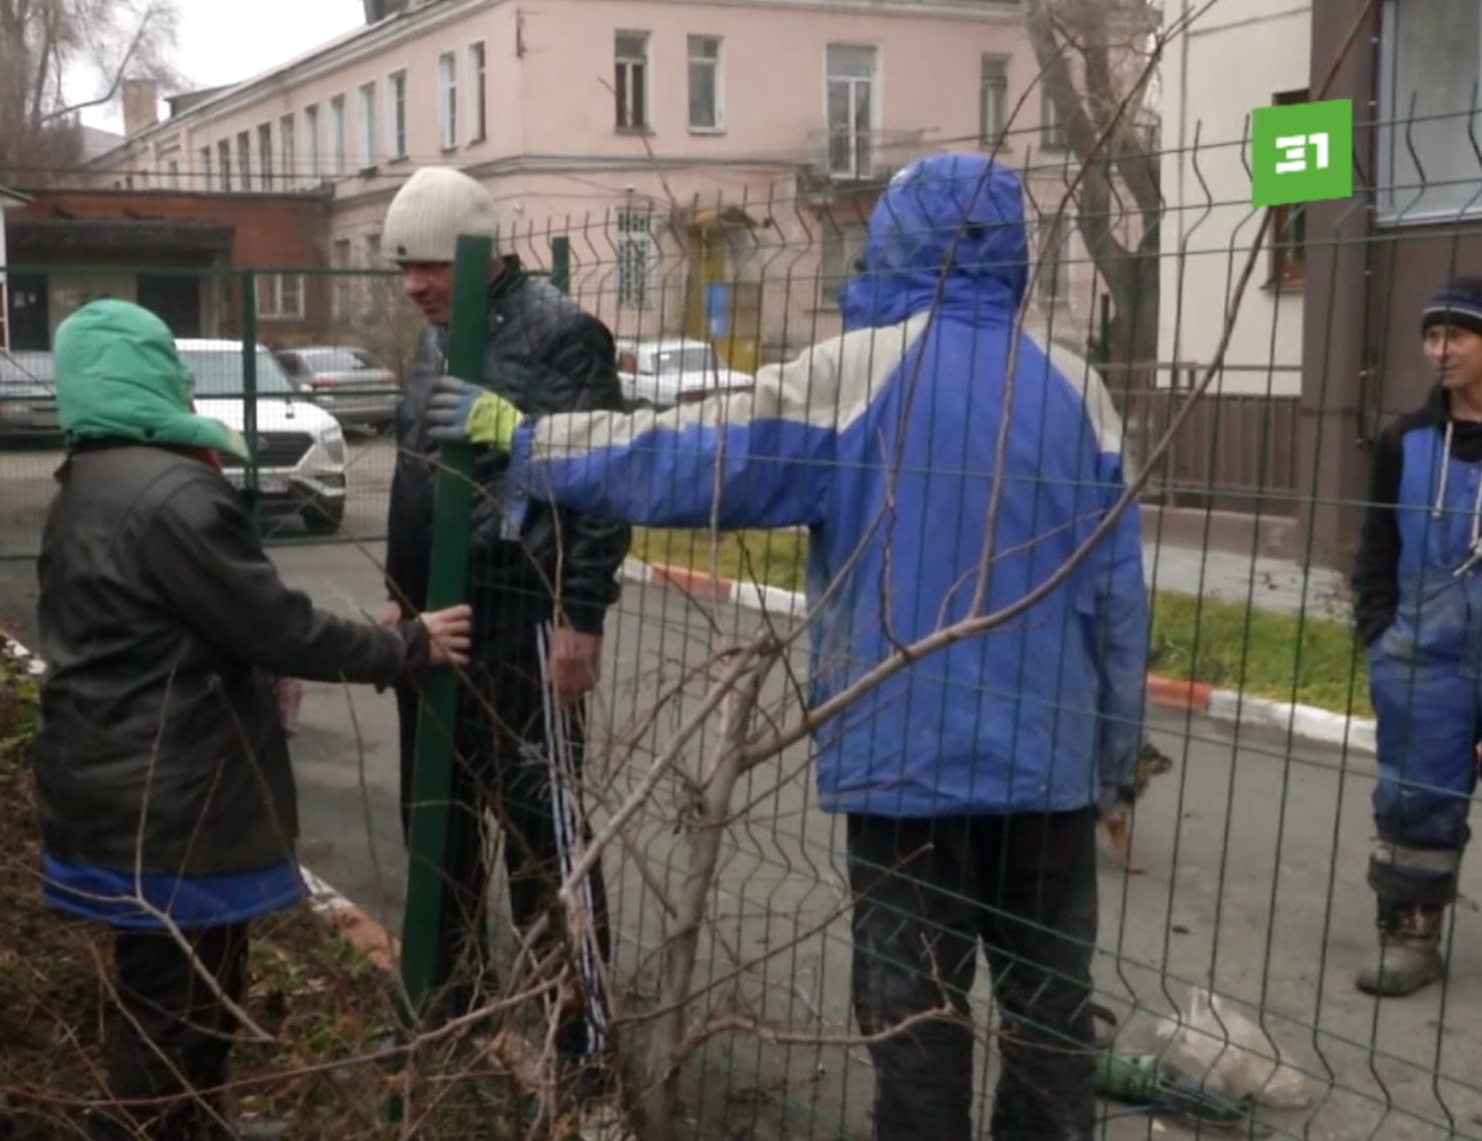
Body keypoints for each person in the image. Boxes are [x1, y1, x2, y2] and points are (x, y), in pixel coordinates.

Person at [424, 154, 1150, 1140]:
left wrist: (533, 441)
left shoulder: (857, 374)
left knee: (917, 1022)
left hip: (906, 774)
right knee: (1050, 1018)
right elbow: (1116, 608)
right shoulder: (1080, 391)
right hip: (1051, 774)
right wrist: (1109, 764)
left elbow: (698, 456)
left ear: (894, 246)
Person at [29, 299, 472, 1141]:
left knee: (179, 983)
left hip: (111, 779)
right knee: (178, 1004)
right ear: (149, 373)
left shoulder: (89, 477)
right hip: (171, 795)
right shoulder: (174, 493)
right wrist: (408, 643)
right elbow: (272, 624)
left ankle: (194, 1126)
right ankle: (150, 1128)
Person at [377, 166, 630, 1085]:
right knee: (435, 820)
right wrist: (402, 593)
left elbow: (602, 484)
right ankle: (453, 1007)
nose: (414, 285)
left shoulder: (562, 334)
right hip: (436, 627)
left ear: (480, 253)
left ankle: (577, 1035)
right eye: (403, 267)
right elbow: (419, 469)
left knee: (540, 834)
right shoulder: (437, 338)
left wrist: (582, 615)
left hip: (524, 620)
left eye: (432, 264)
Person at [1351, 276, 1482, 997]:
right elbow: (1374, 548)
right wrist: (1379, 633)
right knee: (1415, 801)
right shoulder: (1407, 441)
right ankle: (1410, 933)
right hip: (1421, 660)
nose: (1441, 350)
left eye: (1457, 335)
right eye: (1432, 336)